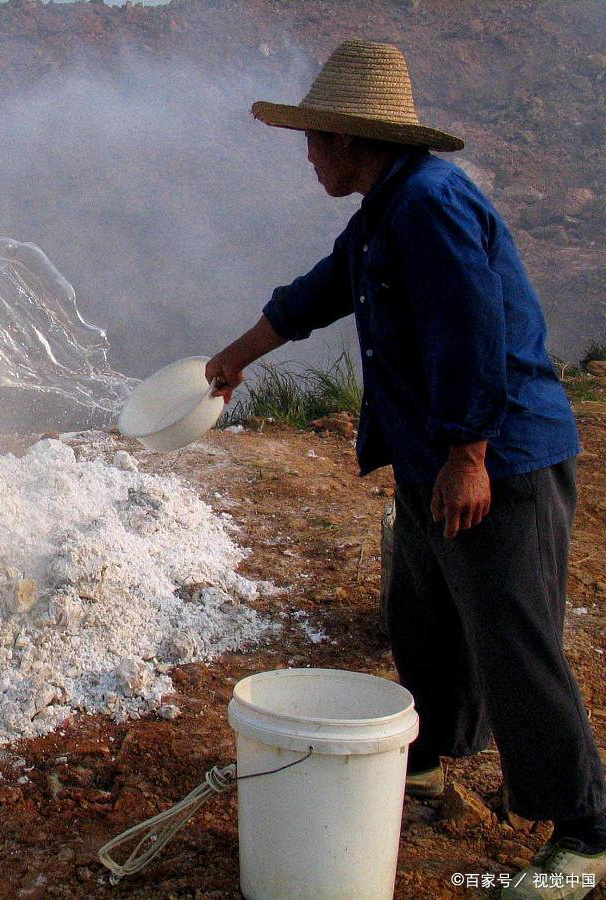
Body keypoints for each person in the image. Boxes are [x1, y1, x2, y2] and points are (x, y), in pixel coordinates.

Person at [205, 38, 606, 899]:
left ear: (349, 139)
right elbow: (321, 291)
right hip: (434, 455)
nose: (309, 158)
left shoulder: (429, 205)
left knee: (512, 638)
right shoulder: (386, 211)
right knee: (424, 614)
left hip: (500, 456)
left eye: (315, 141)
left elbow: (473, 331)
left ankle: (584, 828)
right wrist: (234, 359)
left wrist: (468, 456)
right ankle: (426, 757)